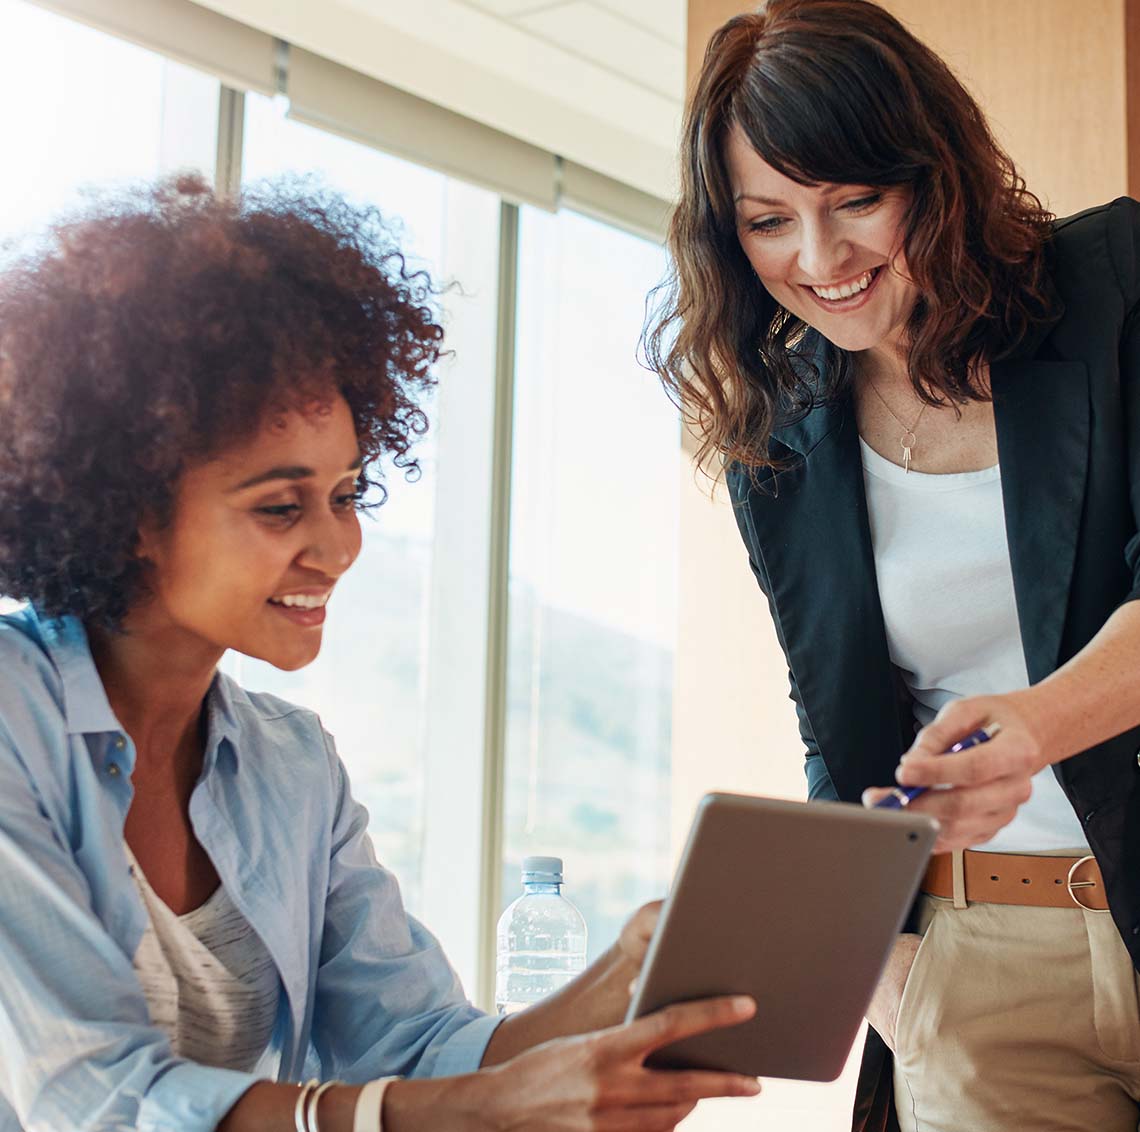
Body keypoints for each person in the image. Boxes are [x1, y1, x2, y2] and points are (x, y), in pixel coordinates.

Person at [0, 174, 762, 1132]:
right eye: (281, 506)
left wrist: (622, 979)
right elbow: (92, 1095)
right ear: (129, 512)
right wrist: (475, 1110)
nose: (338, 547)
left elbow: (416, 1047)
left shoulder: (290, 764)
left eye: (348, 495)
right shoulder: (11, 719)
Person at [645, 1, 1140, 1130]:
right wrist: (895, 986)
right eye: (769, 221)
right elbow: (841, 726)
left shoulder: (1115, 287)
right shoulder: (780, 448)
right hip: (978, 975)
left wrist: (1039, 722)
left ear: (935, 175)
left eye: (856, 202)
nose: (819, 261)